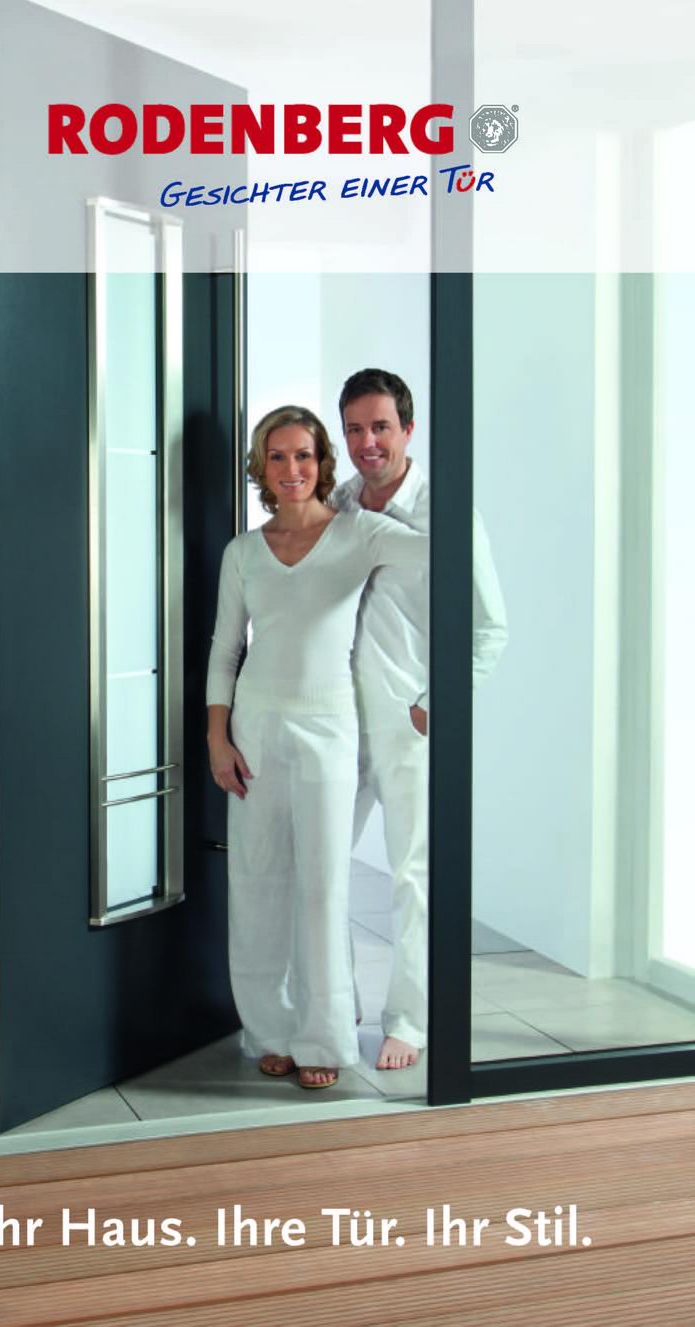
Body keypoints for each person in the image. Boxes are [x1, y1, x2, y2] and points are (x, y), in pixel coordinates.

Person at [206, 404, 427, 1090]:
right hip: (254, 729)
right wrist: (216, 736)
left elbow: (440, 554)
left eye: (303, 455)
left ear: (321, 462)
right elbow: (225, 649)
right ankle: (269, 1031)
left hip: (330, 728)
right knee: (256, 882)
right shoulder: (243, 552)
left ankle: (322, 1038)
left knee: (323, 886)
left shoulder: (360, 533)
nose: (292, 468)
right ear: (262, 467)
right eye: (278, 456)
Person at [333, 368, 508, 1070]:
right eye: (354, 429)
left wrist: (433, 705)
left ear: (408, 429)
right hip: (335, 720)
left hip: (408, 722)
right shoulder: (338, 503)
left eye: (380, 426)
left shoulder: (447, 511)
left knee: (411, 873)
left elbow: (489, 627)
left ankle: (408, 1020)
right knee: (321, 868)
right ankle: (333, 1007)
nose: (367, 442)